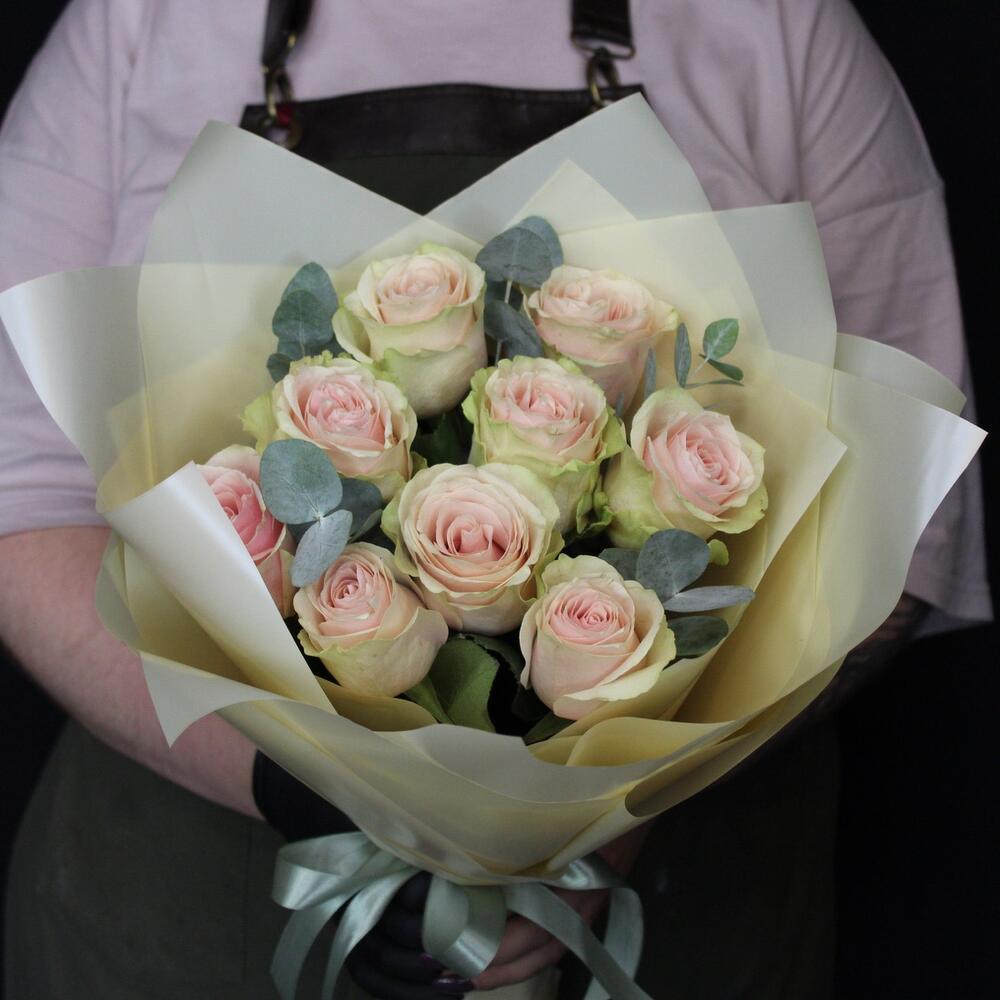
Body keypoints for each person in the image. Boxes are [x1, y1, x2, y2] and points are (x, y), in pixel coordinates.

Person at [0, 1, 990, 998]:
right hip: (180, 915)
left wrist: (611, 816)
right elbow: (20, 504)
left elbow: (909, 515)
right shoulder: (139, 21)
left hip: (685, 915)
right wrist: (292, 786)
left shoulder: (778, 21)